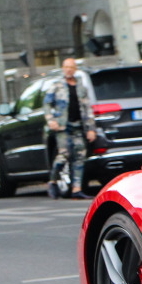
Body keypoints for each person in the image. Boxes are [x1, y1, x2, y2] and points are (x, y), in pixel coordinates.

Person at [43, 58, 96, 199]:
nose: (68, 69)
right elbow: (46, 104)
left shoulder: (80, 87)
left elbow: (87, 108)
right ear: (62, 68)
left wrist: (91, 128)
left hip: (79, 126)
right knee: (63, 155)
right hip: (62, 126)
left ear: (75, 69)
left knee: (80, 156)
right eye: (66, 67)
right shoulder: (57, 85)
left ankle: (76, 189)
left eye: (71, 67)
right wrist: (50, 120)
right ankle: (52, 181)